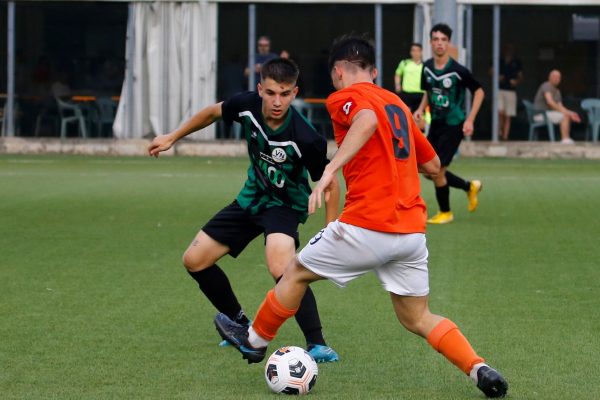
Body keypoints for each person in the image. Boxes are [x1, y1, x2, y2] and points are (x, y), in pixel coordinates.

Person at [215, 34, 508, 399]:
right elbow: (433, 165)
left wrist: (330, 170)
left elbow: (366, 119)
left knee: (293, 272)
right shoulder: (398, 105)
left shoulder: (347, 97)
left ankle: (254, 340)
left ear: (339, 72)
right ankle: (478, 368)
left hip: (367, 223)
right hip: (411, 233)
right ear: (374, 70)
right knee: (417, 318)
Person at [148, 58, 340, 363]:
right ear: (260, 89)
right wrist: (173, 136)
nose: (278, 101)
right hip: (251, 198)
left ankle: (317, 343)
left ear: (295, 93)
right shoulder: (246, 105)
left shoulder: (306, 137)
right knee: (194, 260)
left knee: (282, 267)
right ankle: (239, 322)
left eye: (286, 94)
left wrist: (331, 230)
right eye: (272, 92)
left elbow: (330, 183)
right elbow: (212, 112)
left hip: (284, 206)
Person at [414, 23, 485, 225]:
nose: (439, 43)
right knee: (428, 169)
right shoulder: (426, 67)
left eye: (443, 40)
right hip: (435, 124)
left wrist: (470, 119)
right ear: (430, 42)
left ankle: (446, 212)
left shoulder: (458, 70)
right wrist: (420, 109)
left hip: (454, 124)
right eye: (435, 39)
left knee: (437, 170)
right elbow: (428, 92)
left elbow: (479, 91)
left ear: (448, 43)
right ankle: (469, 186)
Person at [533, 69, 581, 144]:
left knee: (566, 115)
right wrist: (566, 113)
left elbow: (560, 107)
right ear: (549, 77)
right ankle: (565, 139)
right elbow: (550, 102)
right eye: (554, 76)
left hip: (548, 114)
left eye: (558, 77)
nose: (556, 78)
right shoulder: (546, 85)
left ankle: (566, 138)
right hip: (539, 114)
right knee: (564, 116)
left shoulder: (557, 91)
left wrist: (571, 113)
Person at [496, 44, 523, 140]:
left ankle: (505, 136)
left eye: (511, 49)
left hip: (511, 91)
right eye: (507, 49)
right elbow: (491, 71)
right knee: (500, 112)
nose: (509, 51)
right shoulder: (498, 59)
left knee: (508, 115)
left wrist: (516, 81)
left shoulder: (517, 62)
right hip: (499, 89)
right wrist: (497, 76)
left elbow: (520, 76)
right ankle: (498, 132)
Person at [394, 43, 425, 114]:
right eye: (413, 50)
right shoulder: (404, 63)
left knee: (419, 116)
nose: (415, 53)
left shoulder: (425, 65)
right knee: (406, 114)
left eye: (417, 50)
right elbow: (398, 74)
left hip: (420, 94)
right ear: (410, 52)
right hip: (407, 94)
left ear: (421, 52)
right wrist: (397, 85)